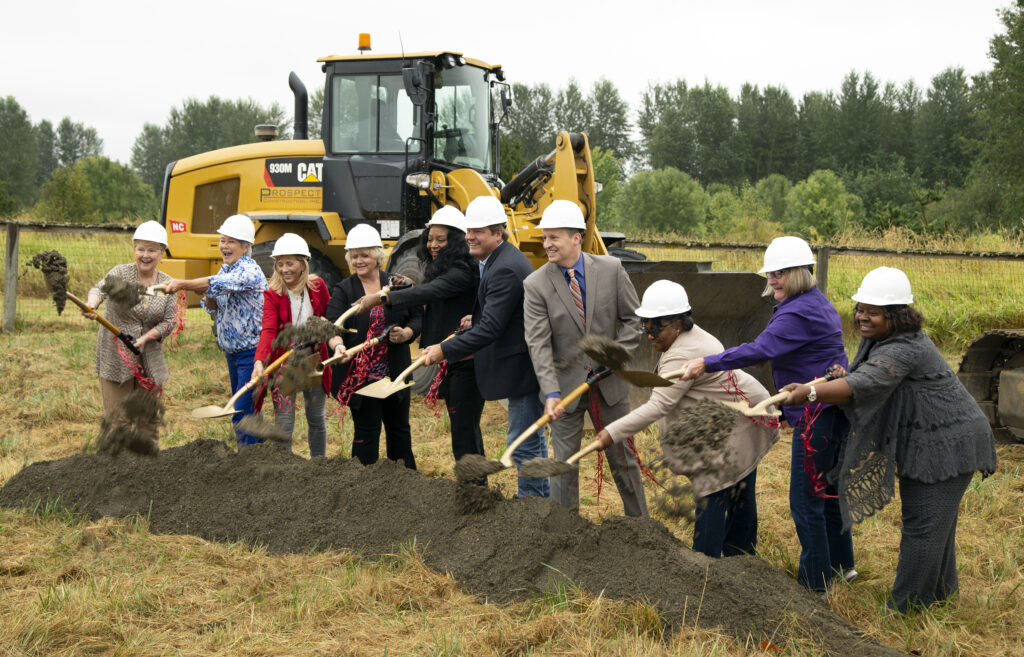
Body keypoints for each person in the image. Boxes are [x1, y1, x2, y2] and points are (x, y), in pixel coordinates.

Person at [782, 267, 997, 613]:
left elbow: (864, 386)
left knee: (923, 525)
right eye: (860, 309)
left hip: (950, 443)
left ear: (897, 316)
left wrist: (809, 392)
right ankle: (940, 596)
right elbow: (864, 377)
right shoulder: (880, 341)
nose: (862, 317)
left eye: (873, 311)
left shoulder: (907, 347)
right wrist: (843, 378)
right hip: (925, 441)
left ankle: (904, 609)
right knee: (935, 525)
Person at [681, 236, 854, 592]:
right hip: (834, 411)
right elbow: (773, 349)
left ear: (798, 273)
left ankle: (814, 585)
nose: (771, 280)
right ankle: (841, 565)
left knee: (805, 502)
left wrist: (707, 362)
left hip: (815, 415)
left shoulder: (798, 310)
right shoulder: (815, 303)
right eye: (770, 273)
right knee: (828, 492)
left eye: (778, 274)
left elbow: (761, 347)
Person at [595, 280, 779, 557]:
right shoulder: (690, 337)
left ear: (676, 322)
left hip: (741, 422)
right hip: (739, 417)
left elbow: (657, 406)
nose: (649, 336)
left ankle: (705, 565)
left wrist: (610, 432)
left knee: (714, 492)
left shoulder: (683, 354)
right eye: (646, 327)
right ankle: (740, 560)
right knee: (738, 491)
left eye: (655, 328)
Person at [523, 200, 648, 517]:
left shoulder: (611, 270)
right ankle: (566, 533)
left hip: (610, 387)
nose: (547, 244)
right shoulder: (536, 284)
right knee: (563, 465)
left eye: (554, 237)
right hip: (565, 390)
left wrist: (616, 354)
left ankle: (643, 530)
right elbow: (538, 343)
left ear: (576, 238)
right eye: (545, 237)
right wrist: (551, 393)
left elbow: (635, 321)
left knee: (623, 458)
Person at [421, 195, 550, 498]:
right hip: (520, 365)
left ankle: (532, 504)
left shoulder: (504, 267)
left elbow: (493, 328)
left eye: (478, 231)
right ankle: (539, 502)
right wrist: (475, 318)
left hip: (521, 367)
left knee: (522, 441)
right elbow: (495, 315)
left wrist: (443, 350)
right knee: (531, 438)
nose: (470, 237)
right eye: (468, 231)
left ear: (497, 233)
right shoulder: (497, 260)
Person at [354, 206, 486, 471]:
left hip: (466, 361)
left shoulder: (462, 271)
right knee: (465, 431)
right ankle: (475, 489)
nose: (433, 245)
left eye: (441, 240)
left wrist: (381, 297)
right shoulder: (445, 268)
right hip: (454, 358)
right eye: (430, 238)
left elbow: (428, 293)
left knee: (464, 434)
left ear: (457, 242)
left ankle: (475, 493)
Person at [164, 214, 267, 447]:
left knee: (241, 411)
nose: (224, 246)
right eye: (222, 240)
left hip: (252, 354)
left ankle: (248, 462)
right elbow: (212, 305)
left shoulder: (250, 272)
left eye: (231, 241)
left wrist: (183, 283)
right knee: (247, 409)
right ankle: (258, 456)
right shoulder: (225, 271)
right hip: (232, 353)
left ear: (246, 246)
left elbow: (215, 284)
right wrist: (208, 294)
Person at [325, 223, 422, 469]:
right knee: (366, 431)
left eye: (365, 255)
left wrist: (407, 332)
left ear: (377, 256)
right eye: (354, 256)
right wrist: (337, 347)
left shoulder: (397, 283)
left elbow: (417, 317)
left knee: (399, 428)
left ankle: (404, 479)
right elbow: (333, 327)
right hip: (362, 375)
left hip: (395, 370)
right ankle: (362, 484)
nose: (359, 260)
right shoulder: (344, 289)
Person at [83, 220, 178, 419]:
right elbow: (99, 290)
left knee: (148, 422)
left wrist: (146, 339)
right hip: (116, 359)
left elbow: (170, 320)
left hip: (149, 359)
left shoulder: (166, 284)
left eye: (152, 250)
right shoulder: (121, 274)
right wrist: (92, 305)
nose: (145, 255)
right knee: (119, 420)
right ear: (134, 249)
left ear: (162, 253)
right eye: (140, 249)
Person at [251, 233, 333, 457]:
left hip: (312, 358)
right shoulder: (273, 293)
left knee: (316, 416)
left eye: (290, 263)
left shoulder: (317, 286)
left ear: (303, 264)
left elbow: (327, 317)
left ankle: (319, 464)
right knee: (285, 420)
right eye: (280, 263)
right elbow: (268, 330)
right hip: (284, 361)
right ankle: (284, 470)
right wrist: (260, 361)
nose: (284, 269)